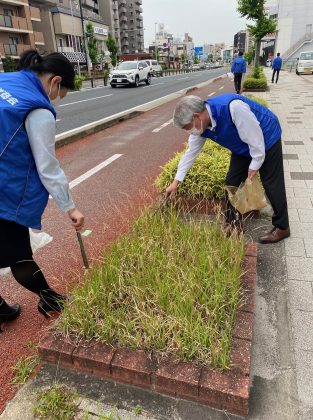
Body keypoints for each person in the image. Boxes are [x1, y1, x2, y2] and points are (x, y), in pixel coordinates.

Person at [0, 50, 84, 329]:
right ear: (55, 81)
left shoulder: (6, 78)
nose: (54, 100)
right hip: (3, 189)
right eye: (58, 94)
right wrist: (70, 207)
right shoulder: (37, 108)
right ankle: (49, 299)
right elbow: (47, 166)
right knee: (18, 253)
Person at [166, 94, 290, 244]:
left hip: (266, 136)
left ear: (197, 116)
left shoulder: (233, 108)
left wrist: (255, 164)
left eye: (187, 127)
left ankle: (282, 227)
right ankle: (234, 225)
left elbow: (255, 138)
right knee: (231, 184)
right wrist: (175, 182)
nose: (189, 131)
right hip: (241, 145)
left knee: (271, 182)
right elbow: (190, 153)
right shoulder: (201, 127)